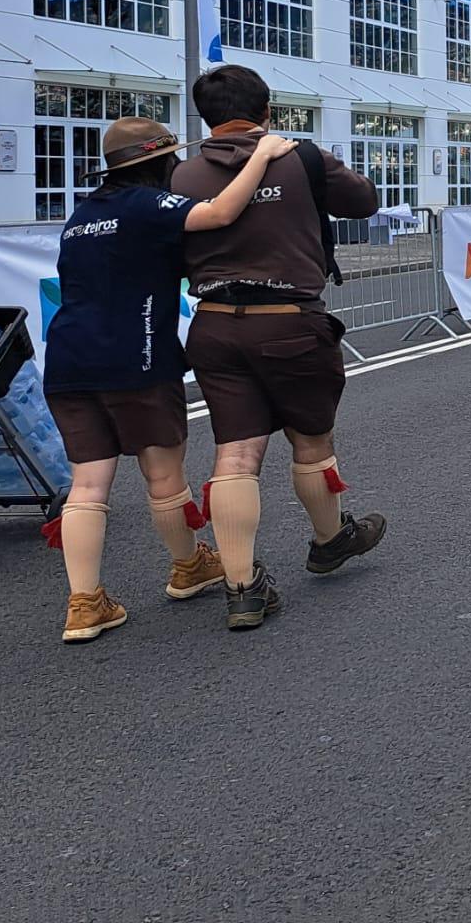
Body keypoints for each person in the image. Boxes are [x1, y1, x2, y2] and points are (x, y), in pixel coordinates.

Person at [42, 117, 295, 643]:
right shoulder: (146, 204)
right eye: (172, 159)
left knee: (87, 485)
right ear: (156, 162)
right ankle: (187, 566)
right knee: (162, 476)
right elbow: (222, 212)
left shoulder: (82, 216)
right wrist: (263, 154)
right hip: (136, 357)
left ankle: (84, 604)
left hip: (68, 361)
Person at [170, 66, 385, 631]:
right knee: (311, 442)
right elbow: (364, 201)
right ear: (267, 109)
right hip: (289, 321)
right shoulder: (300, 156)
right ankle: (329, 538)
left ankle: (242, 588)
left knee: (236, 453)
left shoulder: (183, 174)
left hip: (213, 325)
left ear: (205, 116)